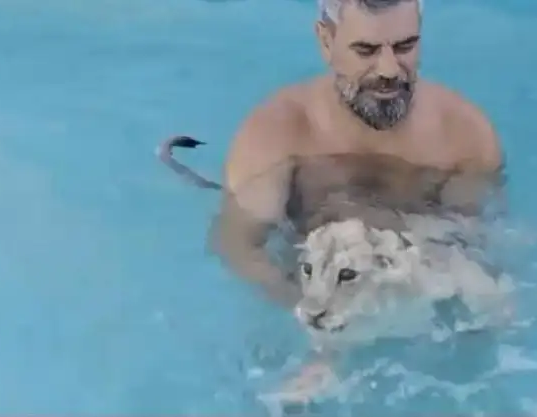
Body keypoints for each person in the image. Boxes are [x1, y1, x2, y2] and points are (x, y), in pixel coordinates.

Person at [212, 0, 506, 307]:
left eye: (405, 46)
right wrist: (313, 309)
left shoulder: (463, 137)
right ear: (326, 42)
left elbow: (474, 249)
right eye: (366, 50)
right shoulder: (279, 132)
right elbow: (244, 248)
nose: (389, 70)